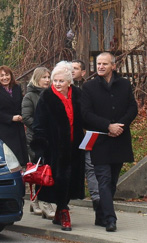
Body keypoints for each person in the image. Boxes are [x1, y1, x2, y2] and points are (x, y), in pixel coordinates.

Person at [80, 52, 138, 232]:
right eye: (98, 64)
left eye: (104, 64)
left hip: (119, 139)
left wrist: (120, 125)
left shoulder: (124, 84)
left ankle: (101, 214)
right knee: (103, 180)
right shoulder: (89, 87)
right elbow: (86, 115)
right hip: (101, 141)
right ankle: (111, 219)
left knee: (112, 182)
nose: (100, 67)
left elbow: (132, 107)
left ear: (113, 66)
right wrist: (108, 126)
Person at [30, 61, 86, 231]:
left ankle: (59, 212)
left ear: (69, 81)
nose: (57, 84)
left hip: (75, 145)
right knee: (59, 179)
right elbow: (38, 125)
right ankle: (64, 212)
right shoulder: (46, 97)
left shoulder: (77, 94)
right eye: (55, 80)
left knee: (71, 180)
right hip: (54, 148)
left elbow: (85, 116)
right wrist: (40, 148)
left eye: (61, 81)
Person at [21, 67, 55, 218]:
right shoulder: (30, 96)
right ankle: (38, 202)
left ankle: (43, 200)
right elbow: (26, 117)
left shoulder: (53, 94)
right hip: (35, 139)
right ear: (37, 79)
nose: (47, 80)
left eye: (49, 77)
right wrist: (41, 127)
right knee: (39, 170)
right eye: (44, 77)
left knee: (49, 169)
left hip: (51, 138)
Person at [72, 59, 100, 219]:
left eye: (75, 68)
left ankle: (97, 201)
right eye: (70, 68)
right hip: (70, 136)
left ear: (83, 73)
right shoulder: (64, 88)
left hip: (86, 133)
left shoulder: (88, 89)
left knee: (90, 167)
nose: (72, 71)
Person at [0, 65, 28, 166]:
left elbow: (21, 104)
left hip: (17, 128)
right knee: (9, 158)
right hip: (3, 129)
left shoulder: (17, 88)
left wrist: (22, 115)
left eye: (7, 75)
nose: (5, 78)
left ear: (11, 75)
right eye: (2, 76)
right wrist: (11, 118)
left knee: (21, 159)